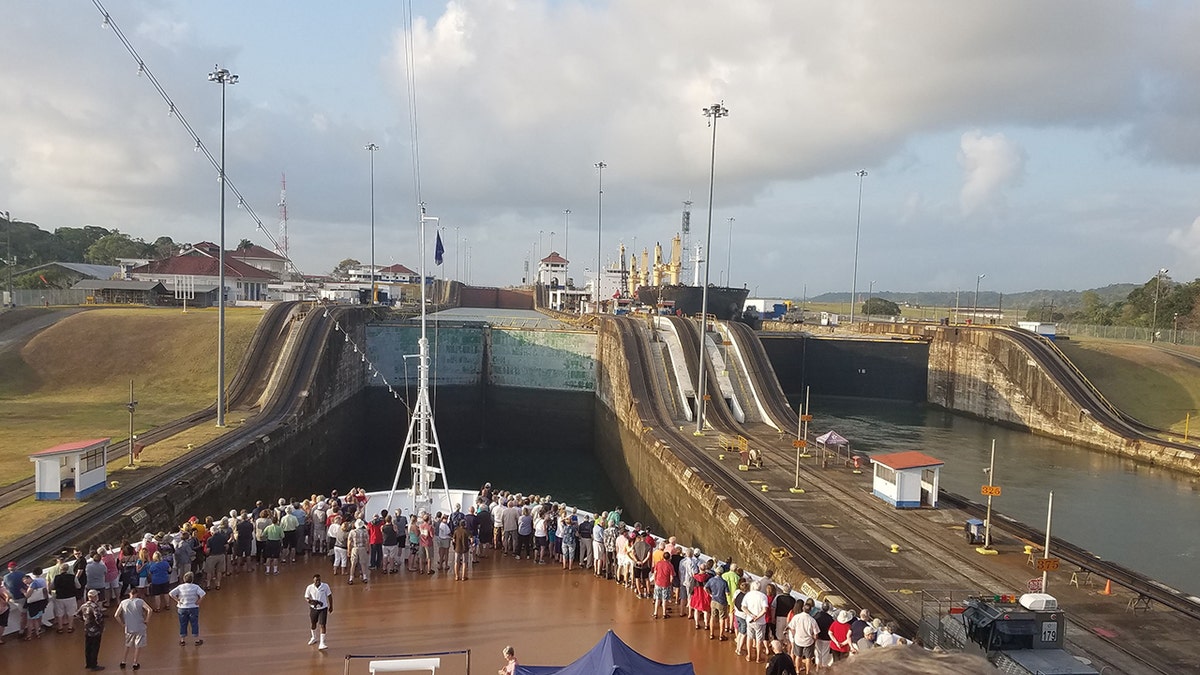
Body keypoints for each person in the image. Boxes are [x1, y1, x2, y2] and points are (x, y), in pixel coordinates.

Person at [114, 586, 152, 670]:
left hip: (129, 627)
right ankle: (135, 663)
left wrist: (122, 624)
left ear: (129, 593)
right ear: (136, 594)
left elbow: (116, 615)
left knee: (127, 645)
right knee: (138, 645)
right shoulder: (140, 601)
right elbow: (150, 610)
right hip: (140, 626)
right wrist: (147, 620)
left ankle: (123, 661)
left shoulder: (123, 602)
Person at [168, 571, 206, 646]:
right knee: (194, 623)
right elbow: (203, 594)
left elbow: (171, 593)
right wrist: (198, 601)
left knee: (183, 624)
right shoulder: (195, 587)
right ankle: (196, 640)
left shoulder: (180, 587)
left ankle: (182, 640)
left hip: (182, 608)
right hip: (193, 607)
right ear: (192, 579)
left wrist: (177, 600)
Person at [78, 589, 107, 671]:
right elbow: (98, 618)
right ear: (94, 597)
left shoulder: (84, 605)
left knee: (88, 647)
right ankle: (94, 665)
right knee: (95, 647)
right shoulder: (95, 607)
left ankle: (88, 663)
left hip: (87, 629)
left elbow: (78, 614)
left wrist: (84, 621)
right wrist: (101, 627)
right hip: (96, 631)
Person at [304, 573, 333, 650]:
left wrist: (331, 606)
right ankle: (313, 637)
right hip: (314, 609)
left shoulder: (325, 586)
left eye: (319, 580)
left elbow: (329, 596)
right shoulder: (309, 587)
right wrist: (311, 601)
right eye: (316, 580)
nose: (318, 581)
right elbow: (306, 597)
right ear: (313, 580)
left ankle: (322, 643)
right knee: (313, 623)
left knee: (322, 625)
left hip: (323, 608)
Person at [650, 546, 675, 619]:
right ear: (669, 558)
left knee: (658, 598)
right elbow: (672, 576)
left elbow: (655, 573)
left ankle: (655, 613)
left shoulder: (658, 563)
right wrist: (670, 584)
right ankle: (664, 613)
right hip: (666, 584)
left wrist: (655, 581)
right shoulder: (670, 565)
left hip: (658, 583)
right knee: (664, 599)